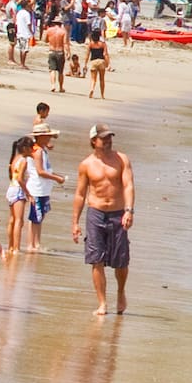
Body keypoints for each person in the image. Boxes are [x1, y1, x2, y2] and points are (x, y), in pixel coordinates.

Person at [71, 124, 135, 316]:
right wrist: (75, 222)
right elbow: (80, 194)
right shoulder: (86, 165)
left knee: (121, 262)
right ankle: (102, 303)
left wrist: (129, 211)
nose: (107, 141)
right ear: (93, 141)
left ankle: (121, 292)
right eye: (103, 138)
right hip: (95, 213)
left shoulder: (121, 159)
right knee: (96, 260)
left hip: (118, 213)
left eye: (109, 138)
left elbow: (128, 186)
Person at [23, 124, 62, 252]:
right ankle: (31, 244)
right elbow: (40, 171)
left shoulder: (41, 149)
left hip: (43, 188)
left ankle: (37, 243)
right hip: (37, 188)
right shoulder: (38, 151)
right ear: (41, 137)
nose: (50, 139)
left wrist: (54, 176)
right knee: (35, 217)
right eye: (48, 136)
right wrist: (56, 178)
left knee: (40, 216)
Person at [43, 15, 69, 93]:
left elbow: (45, 40)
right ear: (61, 24)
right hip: (60, 52)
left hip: (52, 51)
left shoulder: (49, 30)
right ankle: (61, 87)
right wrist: (68, 52)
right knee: (60, 71)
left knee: (52, 70)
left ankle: (53, 85)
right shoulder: (63, 32)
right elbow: (65, 43)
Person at [85, 29, 110, 99]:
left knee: (93, 79)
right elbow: (105, 54)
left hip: (93, 62)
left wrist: (85, 64)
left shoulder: (91, 44)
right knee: (102, 79)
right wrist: (108, 64)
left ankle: (92, 89)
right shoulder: (102, 44)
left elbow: (87, 55)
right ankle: (102, 95)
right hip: (101, 61)